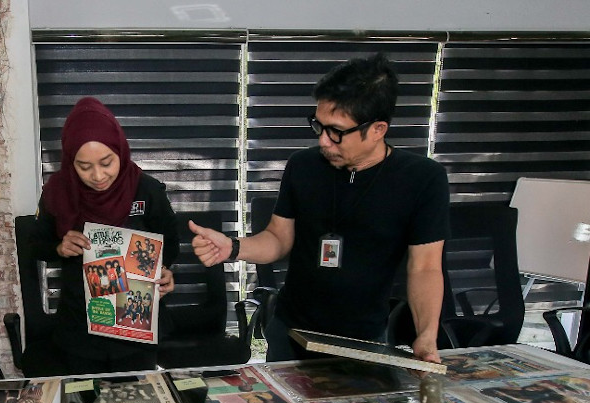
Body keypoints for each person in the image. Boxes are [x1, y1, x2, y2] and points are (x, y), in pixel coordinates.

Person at [191, 53, 449, 363]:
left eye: (337, 132)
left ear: (378, 129)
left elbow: (425, 267)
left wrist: (426, 337)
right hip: (291, 330)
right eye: (319, 126)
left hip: (363, 338)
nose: (324, 141)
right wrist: (233, 247)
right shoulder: (303, 166)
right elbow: (278, 238)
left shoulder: (422, 179)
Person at [30, 97, 179, 373]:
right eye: (84, 167)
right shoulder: (57, 192)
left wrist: (165, 270)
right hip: (80, 328)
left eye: (107, 162)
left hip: (136, 326)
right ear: (69, 160)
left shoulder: (145, 189)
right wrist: (59, 247)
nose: (98, 176)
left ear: (120, 151)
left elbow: (171, 240)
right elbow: (34, 244)